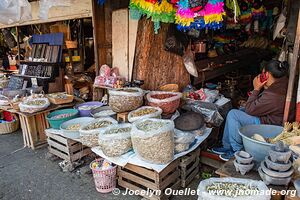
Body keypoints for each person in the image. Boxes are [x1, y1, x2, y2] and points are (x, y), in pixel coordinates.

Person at [212, 60, 294, 161]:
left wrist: (256, 88)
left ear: (267, 74)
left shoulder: (274, 95)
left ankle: (237, 151)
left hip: (270, 125)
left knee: (234, 114)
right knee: (240, 110)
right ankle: (227, 146)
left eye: (263, 73)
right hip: (271, 117)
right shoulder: (283, 82)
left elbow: (250, 110)